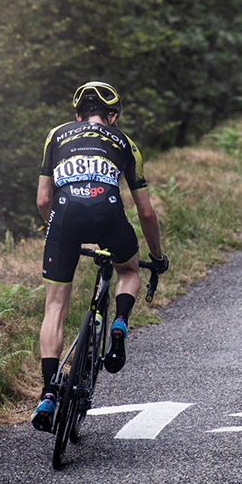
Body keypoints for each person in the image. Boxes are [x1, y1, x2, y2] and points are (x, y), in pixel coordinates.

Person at [31, 81, 167, 432]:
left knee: (54, 307)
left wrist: (61, 232)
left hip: (63, 216)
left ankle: (48, 393)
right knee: (128, 270)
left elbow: (43, 200)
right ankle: (119, 323)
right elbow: (147, 213)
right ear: (114, 116)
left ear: (77, 115)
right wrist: (157, 256)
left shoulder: (57, 135)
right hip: (108, 213)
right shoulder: (125, 142)